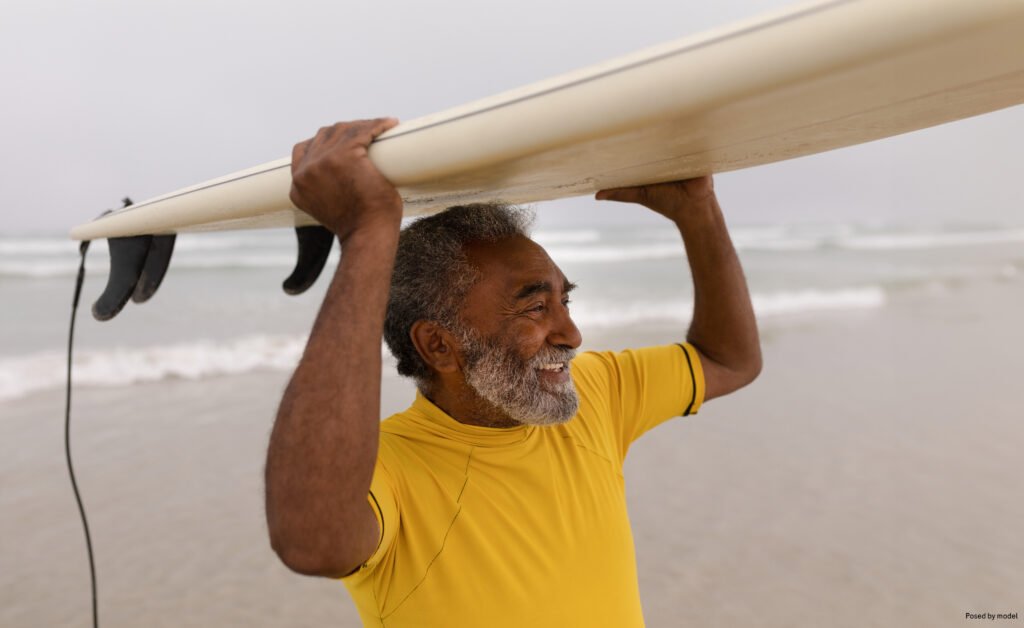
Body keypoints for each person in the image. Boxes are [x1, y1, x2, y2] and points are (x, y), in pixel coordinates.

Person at [264, 118, 762, 627]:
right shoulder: (388, 469)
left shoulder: (596, 392)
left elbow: (729, 360)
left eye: (563, 300)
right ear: (438, 344)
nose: (572, 334)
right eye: (535, 309)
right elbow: (311, 540)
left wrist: (697, 211)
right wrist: (368, 232)